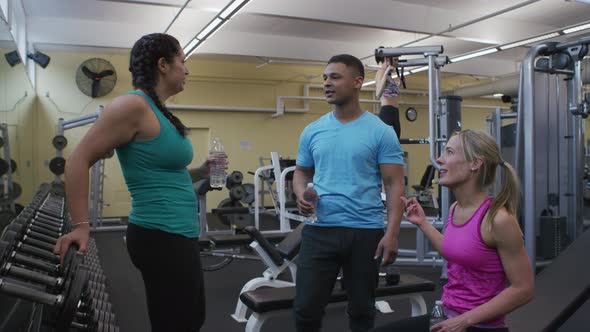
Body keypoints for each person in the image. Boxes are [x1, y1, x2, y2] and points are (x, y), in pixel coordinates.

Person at [53, 33, 209, 332]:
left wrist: (200, 172)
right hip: (161, 235)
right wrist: (81, 226)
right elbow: (77, 161)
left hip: (179, 233)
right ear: (163, 65)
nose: (187, 70)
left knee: (191, 318)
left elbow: (167, 173)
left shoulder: (157, 110)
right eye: (183, 62)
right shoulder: (132, 106)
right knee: (177, 323)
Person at [293, 54, 406, 332]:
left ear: (357, 82)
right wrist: (300, 193)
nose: (327, 83)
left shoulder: (381, 132)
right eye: (325, 78)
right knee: (306, 310)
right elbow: (301, 172)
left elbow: (394, 185)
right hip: (320, 230)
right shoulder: (313, 130)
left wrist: (392, 233)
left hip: (365, 232)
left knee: (362, 311)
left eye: (335, 77)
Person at [401, 130, 534, 332]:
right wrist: (423, 223)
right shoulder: (456, 208)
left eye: (449, 152)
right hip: (447, 315)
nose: (439, 159)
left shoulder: (498, 219)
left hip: (478, 326)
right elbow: (454, 252)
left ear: (475, 164)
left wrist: (465, 321)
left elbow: (524, 289)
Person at [375, 56, 401, 138]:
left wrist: (397, 85)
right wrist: (385, 74)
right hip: (387, 111)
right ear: (387, 59)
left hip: (395, 111)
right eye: (395, 60)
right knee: (387, 141)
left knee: (396, 140)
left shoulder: (390, 76)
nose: (397, 62)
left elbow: (390, 93)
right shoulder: (381, 72)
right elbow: (378, 93)